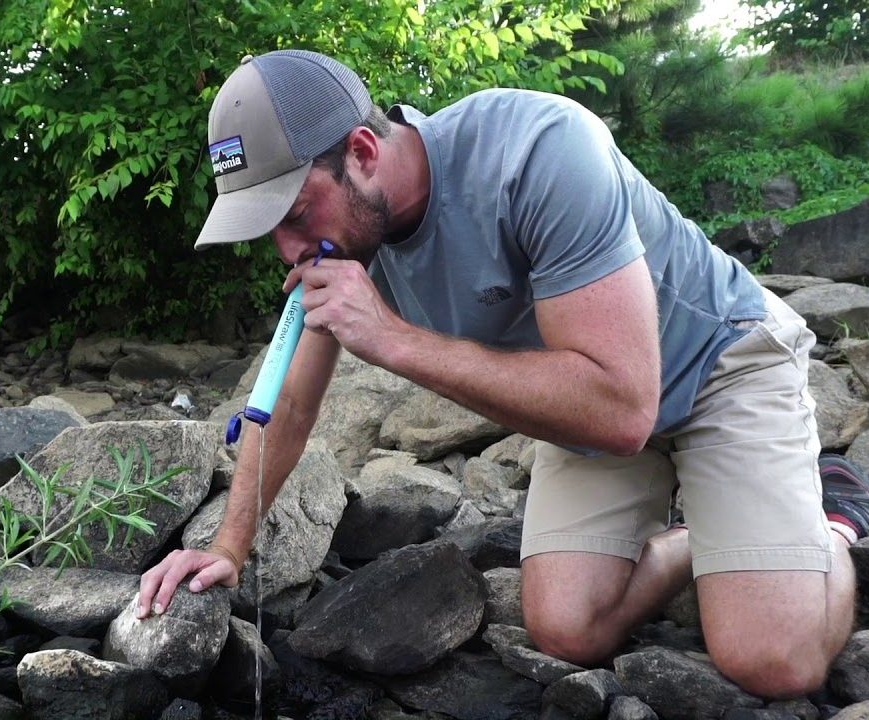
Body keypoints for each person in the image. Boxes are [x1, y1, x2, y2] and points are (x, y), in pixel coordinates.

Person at [137, 49, 869, 698]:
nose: (291, 249)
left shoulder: (540, 150)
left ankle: (833, 518)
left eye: (296, 214)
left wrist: (392, 338)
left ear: (362, 151)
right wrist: (227, 547)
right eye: (270, 231)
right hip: (581, 402)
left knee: (775, 663)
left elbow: (622, 409)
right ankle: (696, 538)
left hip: (715, 364)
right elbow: (288, 408)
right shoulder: (338, 240)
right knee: (567, 632)